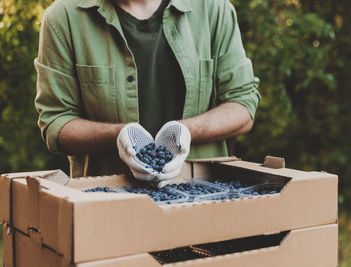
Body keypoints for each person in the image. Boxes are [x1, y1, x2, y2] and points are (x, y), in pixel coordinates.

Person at [34, 0, 260, 181]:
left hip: (203, 197)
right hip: (108, 206)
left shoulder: (214, 9)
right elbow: (56, 123)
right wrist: (120, 136)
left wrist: (184, 131)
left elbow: (242, 106)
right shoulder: (63, 18)